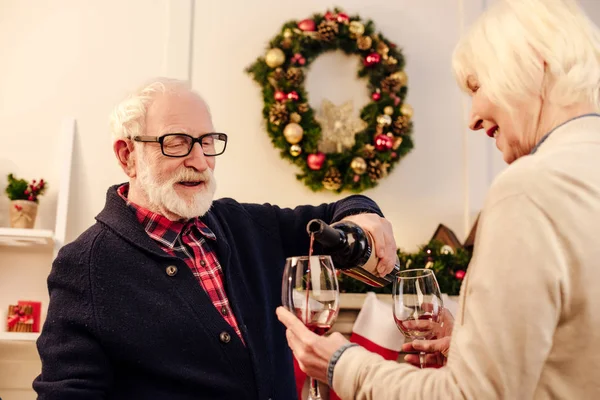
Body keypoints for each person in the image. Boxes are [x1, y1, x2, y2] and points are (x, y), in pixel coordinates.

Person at [277, 0, 600, 398]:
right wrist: (470, 345)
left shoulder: (528, 189)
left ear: (535, 64)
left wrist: (342, 363)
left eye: (477, 87)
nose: (473, 118)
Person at [32, 77, 398, 400]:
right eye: (176, 143)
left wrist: (363, 214)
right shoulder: (84, 264)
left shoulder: (246, 223)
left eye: (207, 142)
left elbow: (339, 211)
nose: (200, 160)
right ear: (128, 155)